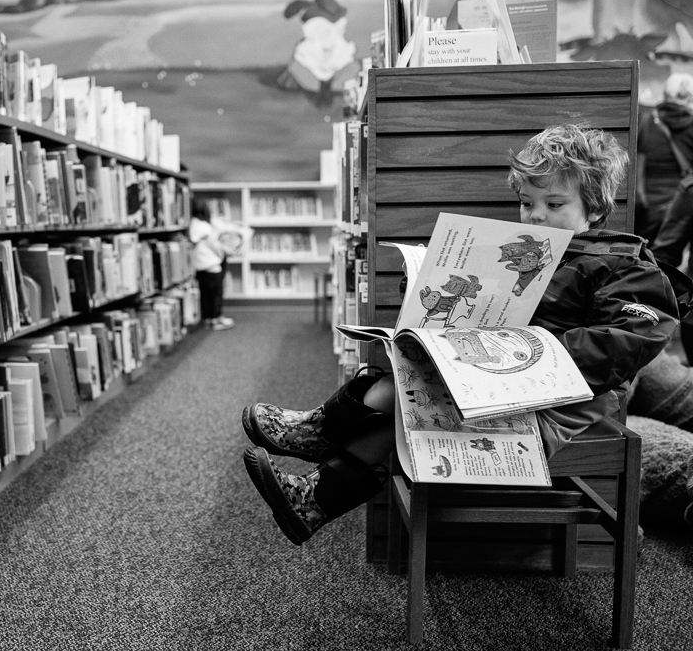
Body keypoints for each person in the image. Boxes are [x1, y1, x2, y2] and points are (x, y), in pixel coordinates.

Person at [241, 124, 684, 545]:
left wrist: (521, 352)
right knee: (407, 370)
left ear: (595, 208)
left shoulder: (626, 266)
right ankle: (314, 488)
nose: (537, 216)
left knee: (419, 397)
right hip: (498, 381)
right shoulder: (521, 253)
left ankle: (318, 447)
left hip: (558, 403)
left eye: (554, 205)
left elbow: (625, 341)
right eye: (528, 203)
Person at [636, 73, 693, 245]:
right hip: (685, 204)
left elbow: (639, 164)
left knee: (655, 259)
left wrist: (642, 199)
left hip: (652, 206)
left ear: (666, 95)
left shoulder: (648, 121)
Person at [190, 198, 235, 331]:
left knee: (205, 295)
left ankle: (208, 318)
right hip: (212, 267)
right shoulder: (206, 228)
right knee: (216, 294)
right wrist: (227, 252)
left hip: (199, 267)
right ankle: (216, 318)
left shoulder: (193, 225)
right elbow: (216, 246)